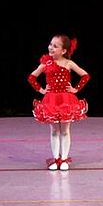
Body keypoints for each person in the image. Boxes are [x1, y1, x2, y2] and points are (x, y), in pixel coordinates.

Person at [28, 34, 90, 171]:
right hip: (51, 100)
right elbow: (32, 77)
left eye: (55, 46)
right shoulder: (46, 62)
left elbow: (85, 75)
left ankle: (64, 159)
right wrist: (41, 90)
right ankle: (56, 158)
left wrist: (75, 89)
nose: (51, 47)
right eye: (50, 44)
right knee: (54, 130)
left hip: (66, 100)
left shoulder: (69, 63)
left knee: (65, 130)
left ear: (63, 51)